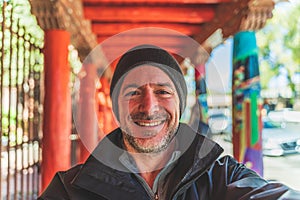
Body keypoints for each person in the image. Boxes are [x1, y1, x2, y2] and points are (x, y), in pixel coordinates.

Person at [39, 44, 297, 200]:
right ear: (116, 105)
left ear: (180, 104)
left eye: (163, 92)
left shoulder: (222, 175)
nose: (149, 108)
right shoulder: (70, 190)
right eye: (133, 92)